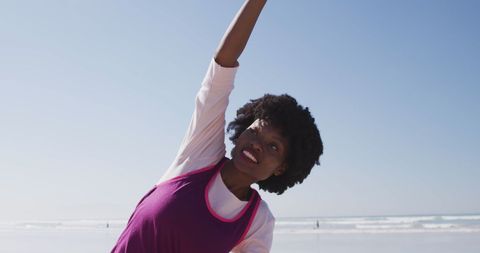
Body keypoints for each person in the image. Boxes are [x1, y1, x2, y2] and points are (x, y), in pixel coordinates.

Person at [111, 0, 323, 252]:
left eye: (273, 147)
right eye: (254, 131)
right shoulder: (199, 154)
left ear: (282, 168)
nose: (256, 145)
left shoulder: (258, 221)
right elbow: (223, 64)